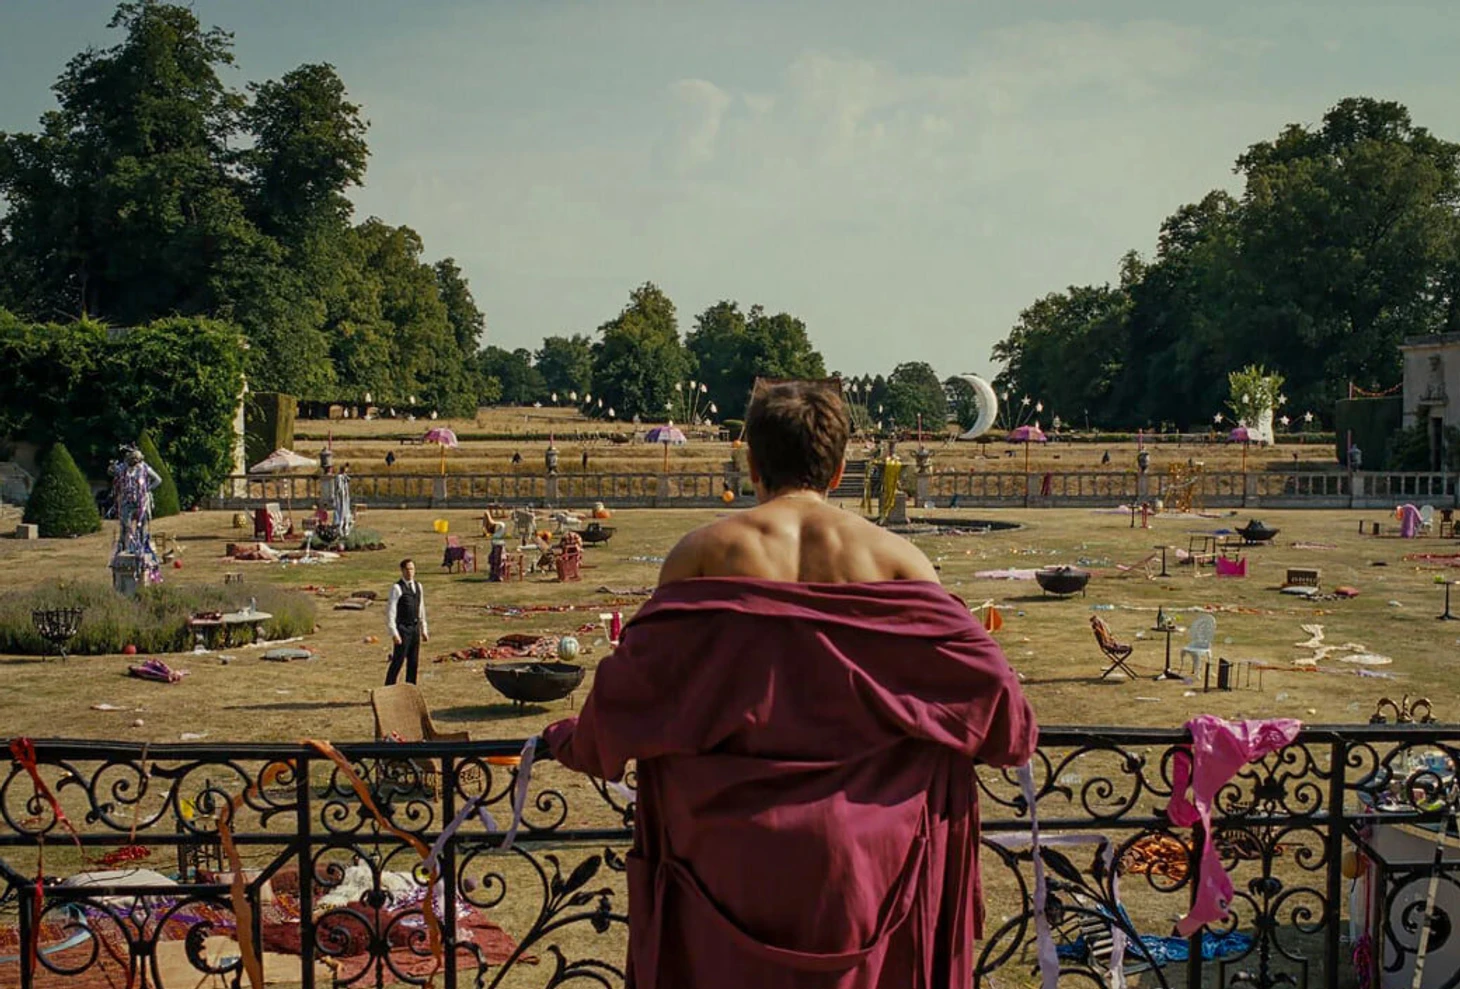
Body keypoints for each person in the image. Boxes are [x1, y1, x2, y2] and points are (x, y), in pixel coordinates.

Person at [541, 379, 1037, 989]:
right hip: (869, 869)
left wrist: (567, 739)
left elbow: (629, 698)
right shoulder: (898, 562)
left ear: (752, 464)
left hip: (721, 863)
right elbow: (1004, 719)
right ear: (839, 470)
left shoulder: (701, 555)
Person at [384, 559, 429, 685]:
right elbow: (391, 611)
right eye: (407, 569)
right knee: (398, 661)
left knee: (413, 662)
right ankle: (389, 687)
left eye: (412, 569)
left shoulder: (418, 586)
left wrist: (424, 629)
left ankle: (411, 688)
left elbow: (421, 608)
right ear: (402, 570)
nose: (410, 572)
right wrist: (394, 633)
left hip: (414, 628)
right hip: (403, 629)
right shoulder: (397, 588)